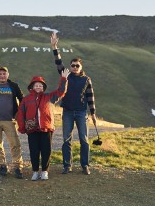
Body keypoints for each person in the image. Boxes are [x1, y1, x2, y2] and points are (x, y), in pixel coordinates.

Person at [51, 32, 98, 175]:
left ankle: (85, 165)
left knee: (84, 139)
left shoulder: (86, 79)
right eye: (73, 65)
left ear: (81, 67)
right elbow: (58, 63)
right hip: (67, 112)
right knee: (66, 139)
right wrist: (54, 47)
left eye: (77, 65)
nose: (75, 67)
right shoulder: (66, 75)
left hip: (82, 112)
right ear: (70, 67)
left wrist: (93, 113)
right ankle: (67, 165)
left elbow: (90, 97)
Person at [16, 68, 71, 181]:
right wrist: (21, 127)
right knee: (34, 151)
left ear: (43, 87)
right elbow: (21, 113)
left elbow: (61, 91)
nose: (38, 87)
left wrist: (64, 79)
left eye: (40, 85)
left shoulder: (49, 97)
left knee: (46, 150)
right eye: (36, 85)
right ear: (32, 87)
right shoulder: (26, 99)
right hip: (32, 129)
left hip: (46, 128)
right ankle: (35, 171)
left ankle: (45, 171)